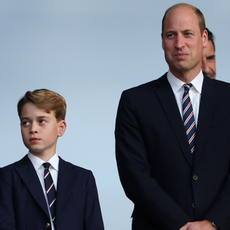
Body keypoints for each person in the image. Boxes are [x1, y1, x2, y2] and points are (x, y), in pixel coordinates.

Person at [115, 3, 230, 230]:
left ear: (204, 37)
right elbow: (134, 175)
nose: (179, 44)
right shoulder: (135, 101)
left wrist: (212, 223)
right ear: (162, 40)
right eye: (171, 35)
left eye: (188, 34)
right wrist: (182, 225)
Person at [0, 89, 104, 230]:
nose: (33, 129)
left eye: (42, 121)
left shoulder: (83, 178)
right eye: (25, 123)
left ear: (61, 128)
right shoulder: (6, 177)